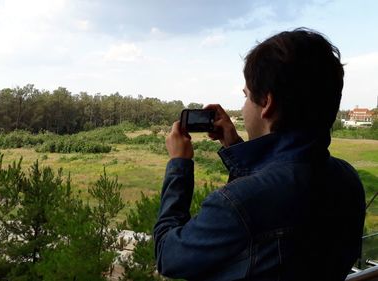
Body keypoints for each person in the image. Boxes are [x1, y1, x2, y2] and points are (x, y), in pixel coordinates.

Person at [153, 28, 366, 281]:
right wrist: (233, 144)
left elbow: (168, 254)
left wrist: (179, 165)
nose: (243, 108)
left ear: (266, 103)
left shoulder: (235, 203)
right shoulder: (348, 180)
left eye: (246, 97)